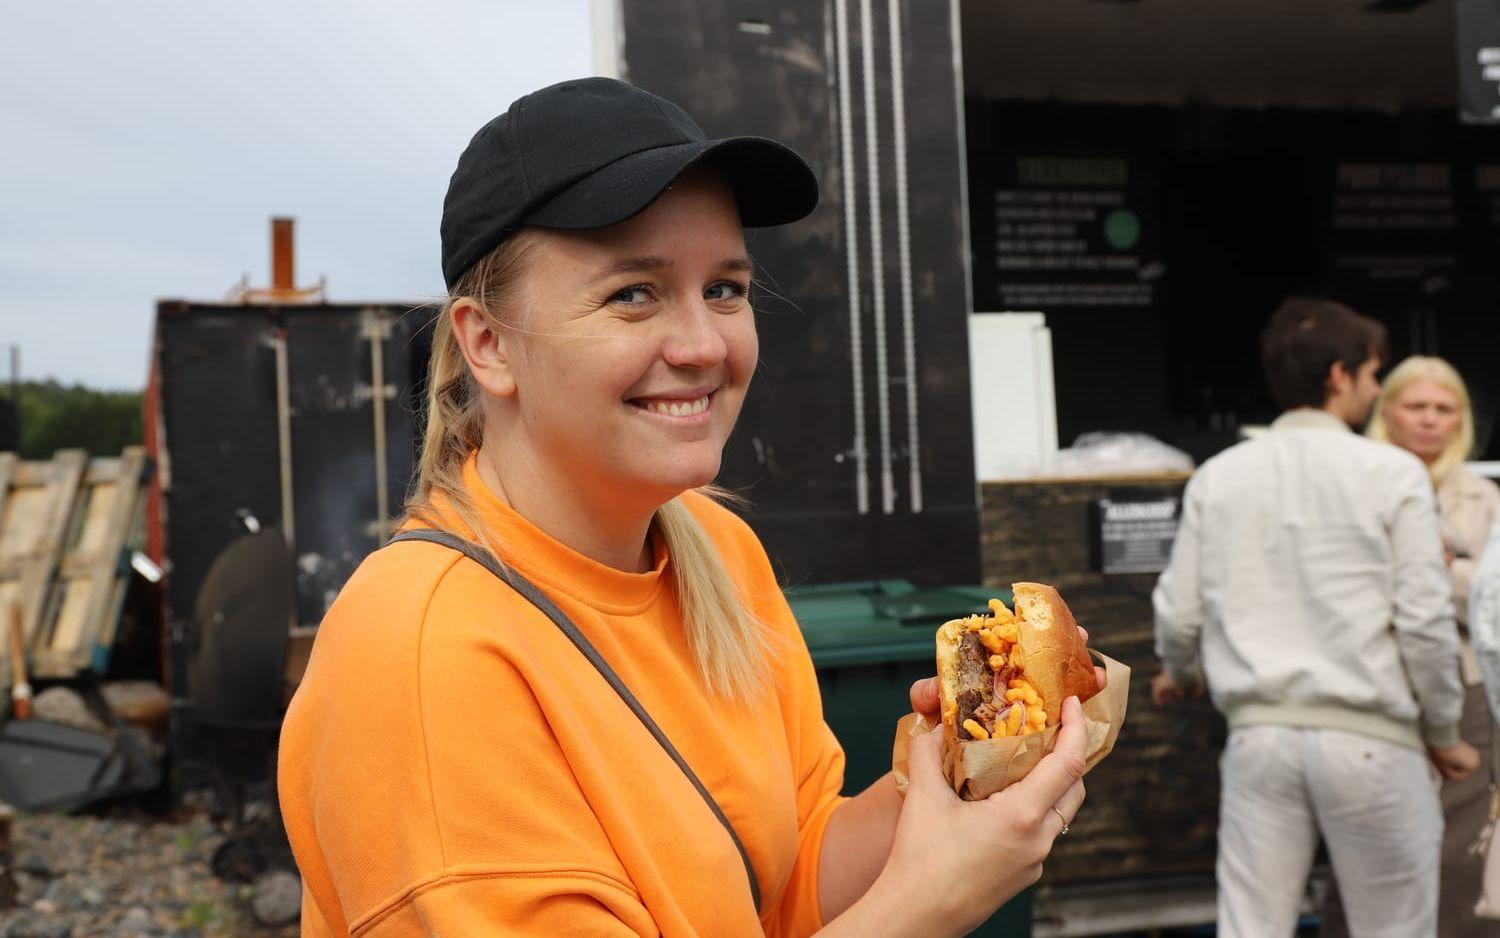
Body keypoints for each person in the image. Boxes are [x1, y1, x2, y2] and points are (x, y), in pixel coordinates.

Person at [277, 77, 1097, 937]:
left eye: (726, 289)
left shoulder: (714, 548)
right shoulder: (423, 651)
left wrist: (958, 771)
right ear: (488, 344)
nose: (705, 345)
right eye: (634, 293)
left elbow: (791, 880)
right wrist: (931, 903)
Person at [1151, 297, 1477, 938]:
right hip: (1374, 741)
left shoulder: (1218, 476)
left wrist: (1179, 670)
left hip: (1259, 738)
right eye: (1372, 374)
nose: (1376, 389)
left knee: (1252, 927)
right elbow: (1424, 621)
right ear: (1337, 375)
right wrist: (1443, 729)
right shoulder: (1393, 473)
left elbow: (1178, 608)